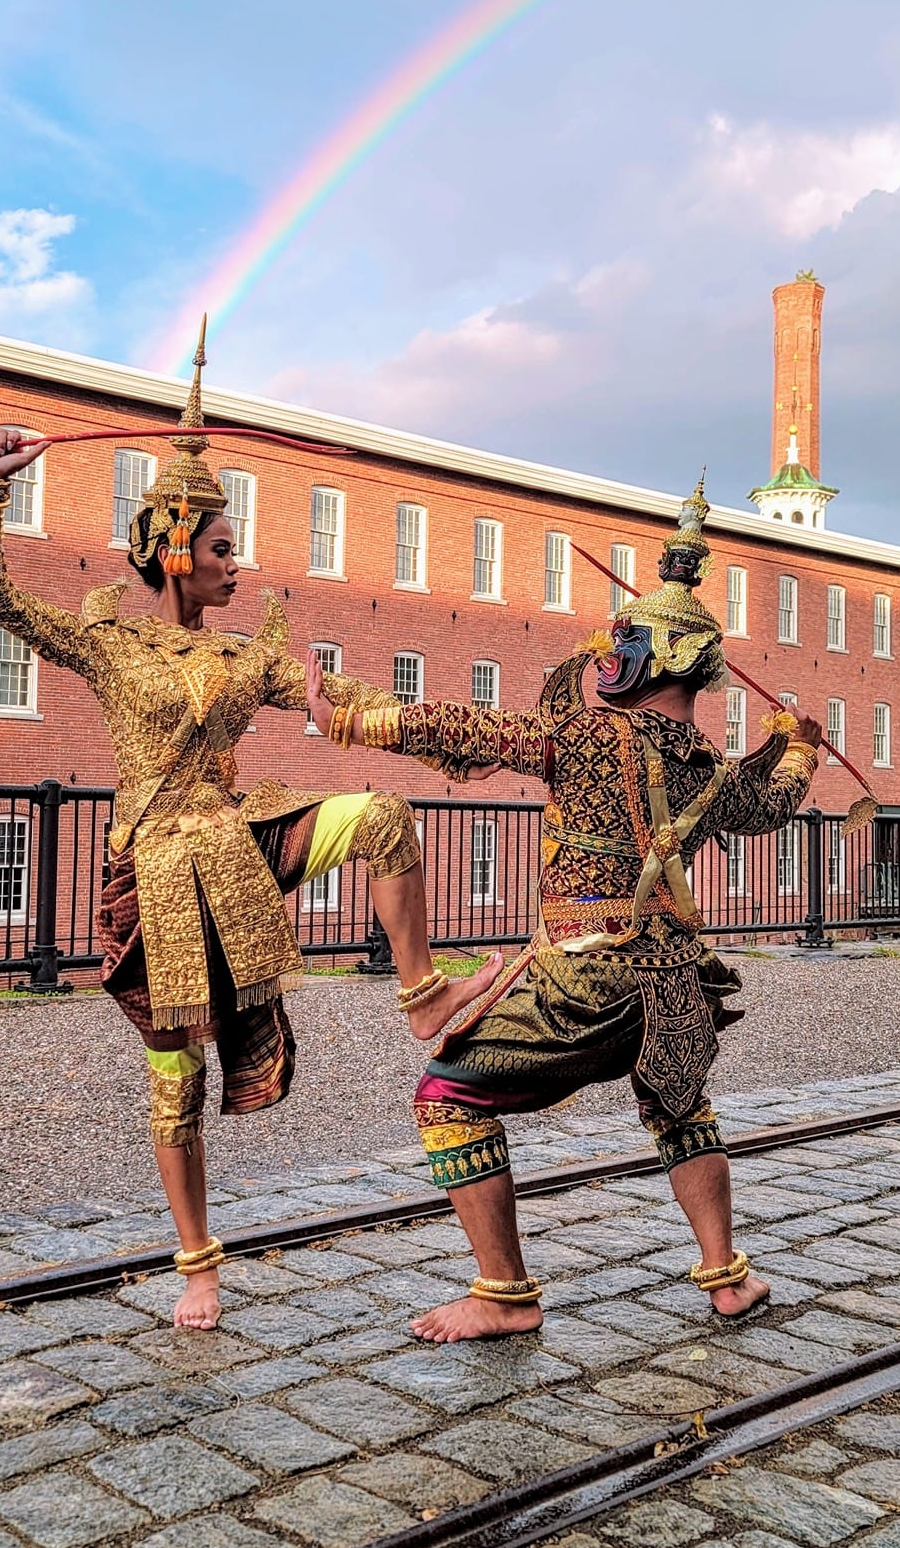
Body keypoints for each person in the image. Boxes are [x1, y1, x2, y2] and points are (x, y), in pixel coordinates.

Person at [0, 324, 498, 1328]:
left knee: (383, 816)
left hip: (241, 839)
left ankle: (423, 992)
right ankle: (198, 1261)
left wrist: (433, 726)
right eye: (220, 548)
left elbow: (331, 697)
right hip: (158, 874)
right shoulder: (106, 640)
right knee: (177, 1079)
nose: (234, 566)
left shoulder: (250, 654)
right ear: (172, 545)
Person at [307, 479, 821, 1343]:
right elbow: (766, 805)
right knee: (678, 1109)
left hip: (587, 974)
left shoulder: (589, 736)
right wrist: (799, 748)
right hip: (675, 981)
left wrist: (362, 719)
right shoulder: (705, 763)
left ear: (642, 661)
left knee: (445, 1097)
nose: (601, 657)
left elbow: (480, 731)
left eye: (617, 645)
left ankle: (503, 1294)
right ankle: (727, 1278)